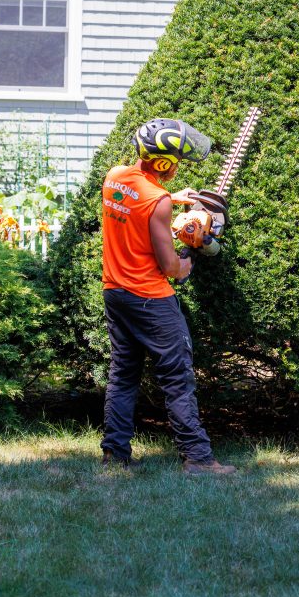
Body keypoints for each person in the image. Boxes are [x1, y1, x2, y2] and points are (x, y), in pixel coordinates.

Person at [100, 117, 236, 476]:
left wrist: (171, 198)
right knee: (177, 378)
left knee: (123, 374)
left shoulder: (115, 177)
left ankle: (115, 454)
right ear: (162, 163)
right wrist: (191, 255)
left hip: (116, 292)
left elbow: (136, 201)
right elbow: (170, 266)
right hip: (150, 299)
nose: (178, 166)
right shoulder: (157, 202)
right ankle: (198, 459)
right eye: (175, 160)